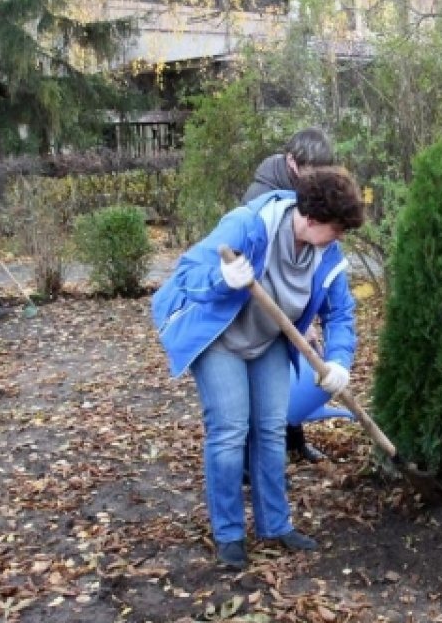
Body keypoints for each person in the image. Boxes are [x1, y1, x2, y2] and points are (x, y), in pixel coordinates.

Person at [152, 167, 365, 570]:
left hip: (267, 338)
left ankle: (275, 525)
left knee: (270, 429)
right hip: (221, 339)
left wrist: (339, 360)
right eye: (337, 229)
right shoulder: (249, 225)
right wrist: (222, 277)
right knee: (231, 430)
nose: (340, 238)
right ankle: (229, 533)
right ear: (312, 219)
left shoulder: (327, 252)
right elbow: (187, 275)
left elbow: (341, 313)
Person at [244, 128, 336, 463]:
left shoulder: (304, 191)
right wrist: (298, 320)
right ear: (292, 163)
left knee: (291, 372)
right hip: (254, 310)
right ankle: (247, 461)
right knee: (256, 392)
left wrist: (306, 318)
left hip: (289, 303)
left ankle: (293, 440)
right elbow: (264, 267)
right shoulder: (262, 197)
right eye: (313, 172)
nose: (318, 179)